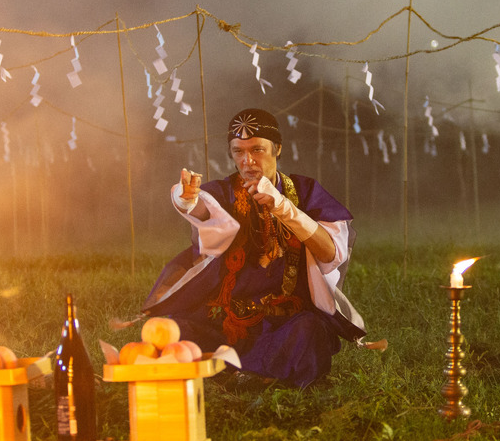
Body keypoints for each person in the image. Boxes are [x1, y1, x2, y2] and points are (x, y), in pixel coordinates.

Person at [143, 108, 368, 388]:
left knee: (310, 332)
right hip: (226, 322)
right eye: (238, 151)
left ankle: (242, 374)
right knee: (176, 331)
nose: (247, 161)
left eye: (257, 149)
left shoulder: (305, 191)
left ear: (278, 149)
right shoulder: (224, 192)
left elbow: (330, 253)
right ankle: (252, 374)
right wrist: (184, 198)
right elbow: (202, 207)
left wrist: (285, 208)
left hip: (284, 323)